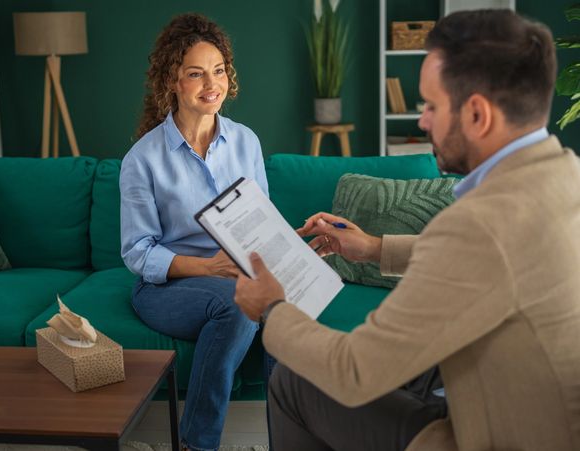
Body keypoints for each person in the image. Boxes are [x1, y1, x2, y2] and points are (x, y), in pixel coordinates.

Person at [235, 9, 580, 451]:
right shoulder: (560, 175)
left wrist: (272, 309)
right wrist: (374, 248)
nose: (422, 121)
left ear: (477, 114)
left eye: (432, 106)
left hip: (488, 432)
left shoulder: (480, 222)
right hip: (529, 407)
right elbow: (495, 262)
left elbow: (354, 372)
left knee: (293, 380)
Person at [120, 13, 268, 451]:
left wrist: (287, 252)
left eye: (219, 71)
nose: (212, 84)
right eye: (196, 73)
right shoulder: (142, 159)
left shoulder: (247, 143)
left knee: (284, 306)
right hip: (168, 286)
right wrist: (209, 267)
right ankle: (196, 445)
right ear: (173, 81)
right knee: (239, 306)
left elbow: (259, 223)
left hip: (237, 274)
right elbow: (138, 252)